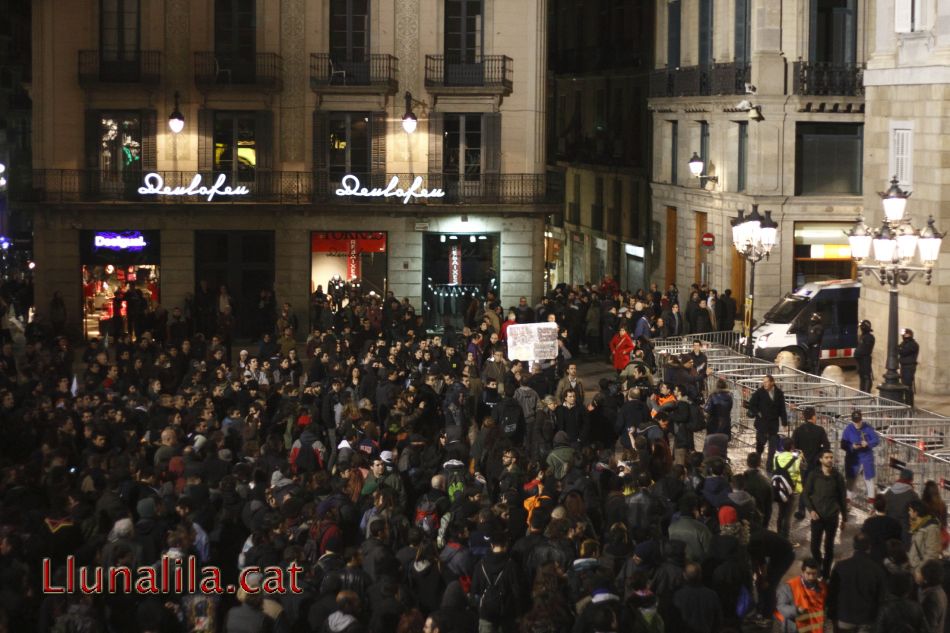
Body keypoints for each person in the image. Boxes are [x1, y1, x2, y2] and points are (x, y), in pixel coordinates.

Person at [827, 532, 887, 633]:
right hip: (867, 619)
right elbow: (881, 597)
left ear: (854, 546)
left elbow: (832, 593)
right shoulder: (877, 569)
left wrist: (832, 615)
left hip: (844, 617)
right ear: (869, 548)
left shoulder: (840, 566)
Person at [802, 448, 848, 579]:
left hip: (832, 516)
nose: (829, 460)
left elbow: (842, 497)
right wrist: (811, 510)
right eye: (827, 457)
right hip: (817, 516)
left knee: (829, 547)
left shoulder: (837, 477)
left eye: (831, 457)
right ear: (821, 459)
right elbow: (805, 494)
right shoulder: (813, 475)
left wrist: (844, 518)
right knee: (814, 546)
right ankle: (819, 566)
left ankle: (826, 574)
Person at [791, 406, 830, 520]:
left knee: (803, 487)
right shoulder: (820, 430)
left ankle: (801, 510)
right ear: (813, 417)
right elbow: (826, 446)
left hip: (803, 464)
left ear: (803, 417)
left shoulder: (798, 430)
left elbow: (794, 448)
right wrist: (819, 456)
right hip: (816, 464)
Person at [747, 374, 788, 473]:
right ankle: (757, 461)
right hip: (762, 424)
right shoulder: (759, 393)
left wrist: (784, 422)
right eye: (763, 382)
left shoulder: (779, 393)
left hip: (773, 425)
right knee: (760, 444)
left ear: (772, 382)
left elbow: (782, 408)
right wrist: (758, 412)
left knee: (772, 448)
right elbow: (751, 404)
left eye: (766, 382)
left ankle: (769, 467)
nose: (764, 384)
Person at [774, 558, 827, 633]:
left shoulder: (822, 587)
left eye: (814, 574)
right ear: (802, 572)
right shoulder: (789, 587)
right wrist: (796, 610)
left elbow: (823, 607)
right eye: (808, 573)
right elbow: (781, 607)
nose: (811, 577)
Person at [841, 410, 881, 503]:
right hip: (853, 459)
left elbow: (876, 440)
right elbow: (843, 444)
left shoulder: (868, 427)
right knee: (851, 479)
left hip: (866, 458)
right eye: (855, 422)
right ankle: (848, 500)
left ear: (861, 419)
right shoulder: (848, 429)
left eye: (858, 421)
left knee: (869, 479)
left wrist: (868, 443)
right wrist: (852, 446)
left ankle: (871, 500)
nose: (857, 424)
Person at [772, 437, 802, 540]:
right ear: (792, 446)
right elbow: (802, 467)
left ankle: (778, 536)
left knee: (781, 513)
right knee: (788, 516)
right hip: (793, 490)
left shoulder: (776, 457)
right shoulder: (797, 458)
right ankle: (786, 539)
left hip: (780, 489)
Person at [908, 499, 942, 572]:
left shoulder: (931, 528)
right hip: (915, 570)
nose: (909, 512)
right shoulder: (917, 526)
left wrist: (920, 571)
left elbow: (932, 553)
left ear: (916, 512)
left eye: (910, 510)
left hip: (923, 572)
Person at [916, 559, 948, 633]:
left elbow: (928, 627)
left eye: (920, 573)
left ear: (926, 579)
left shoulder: (932, 599)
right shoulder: (939, 590)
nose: (917, 574)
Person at [898, 328, 919, 405]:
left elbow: (902, 352)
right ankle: (907, 403)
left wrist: (900, 348)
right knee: (905, 385)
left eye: (904, 334)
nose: (903, 336)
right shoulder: (905, 343)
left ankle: (909, 405)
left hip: (909, 367)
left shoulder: (913, 344)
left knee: (907, 386)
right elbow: (898, 348)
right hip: (904, 366)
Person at [855, 320, 875, 393]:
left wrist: (859, 353)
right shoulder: (862, 336)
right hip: (860, 359)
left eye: (862, 327)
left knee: (866, 376)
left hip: (865, 359)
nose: (860, 329)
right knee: (861, 376)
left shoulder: (870, 337)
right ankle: (861, 391)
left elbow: (865, 349)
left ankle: (866, 391)